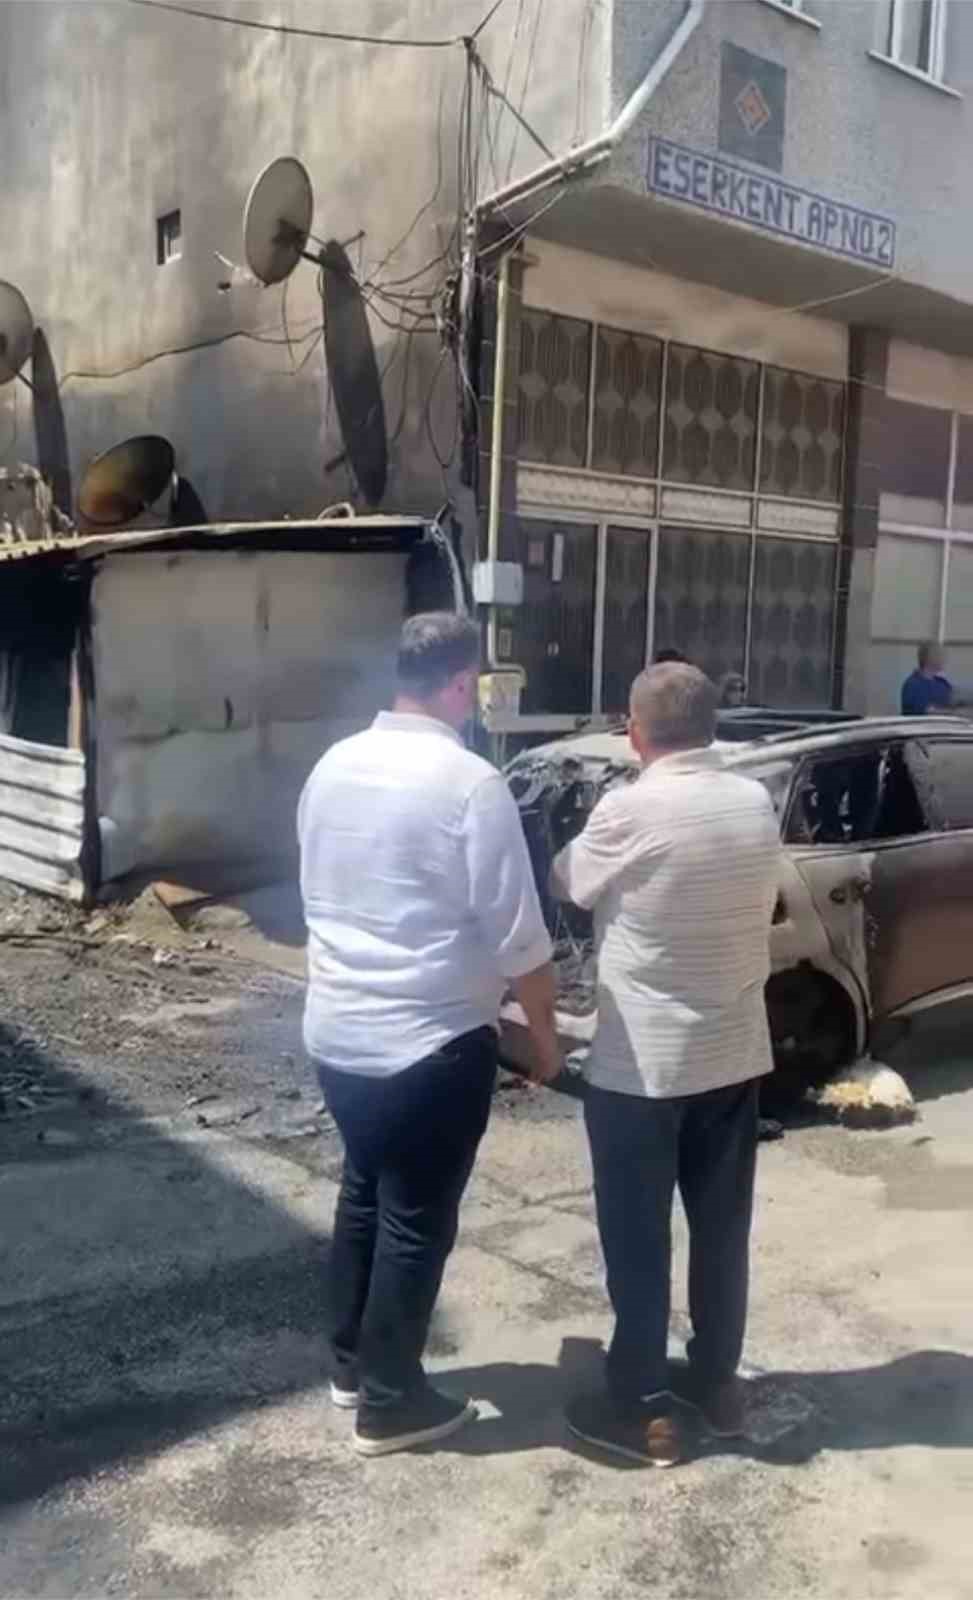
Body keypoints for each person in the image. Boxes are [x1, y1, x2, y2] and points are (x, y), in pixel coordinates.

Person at [298, 612, 560, 1458]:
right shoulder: (468, 783)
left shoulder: (333, 765)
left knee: (363, 1195)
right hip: (427, 1044)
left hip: (338, 1035)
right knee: (415, 1220)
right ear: (458, 684)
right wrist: (546, 1039)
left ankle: (350, 1368)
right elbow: (519, 936)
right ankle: (390, 1404)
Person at [551, 663, 782, 1468]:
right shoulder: (753, 799)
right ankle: (716, 1382)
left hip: (641, 1071)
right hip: (733, 1056)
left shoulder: (629, 807)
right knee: (721, 1232)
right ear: (712, 724)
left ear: (633, 728)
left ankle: (643, 1403)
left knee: (637, 1239)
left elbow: (566, 882)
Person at [901, 642, 953, 715]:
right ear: (929, 658)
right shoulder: (912, 685)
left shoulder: (943, 684)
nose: (944, 659)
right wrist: (953, 712)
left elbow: (954, 702)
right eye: (940, 655)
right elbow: (926, 711)